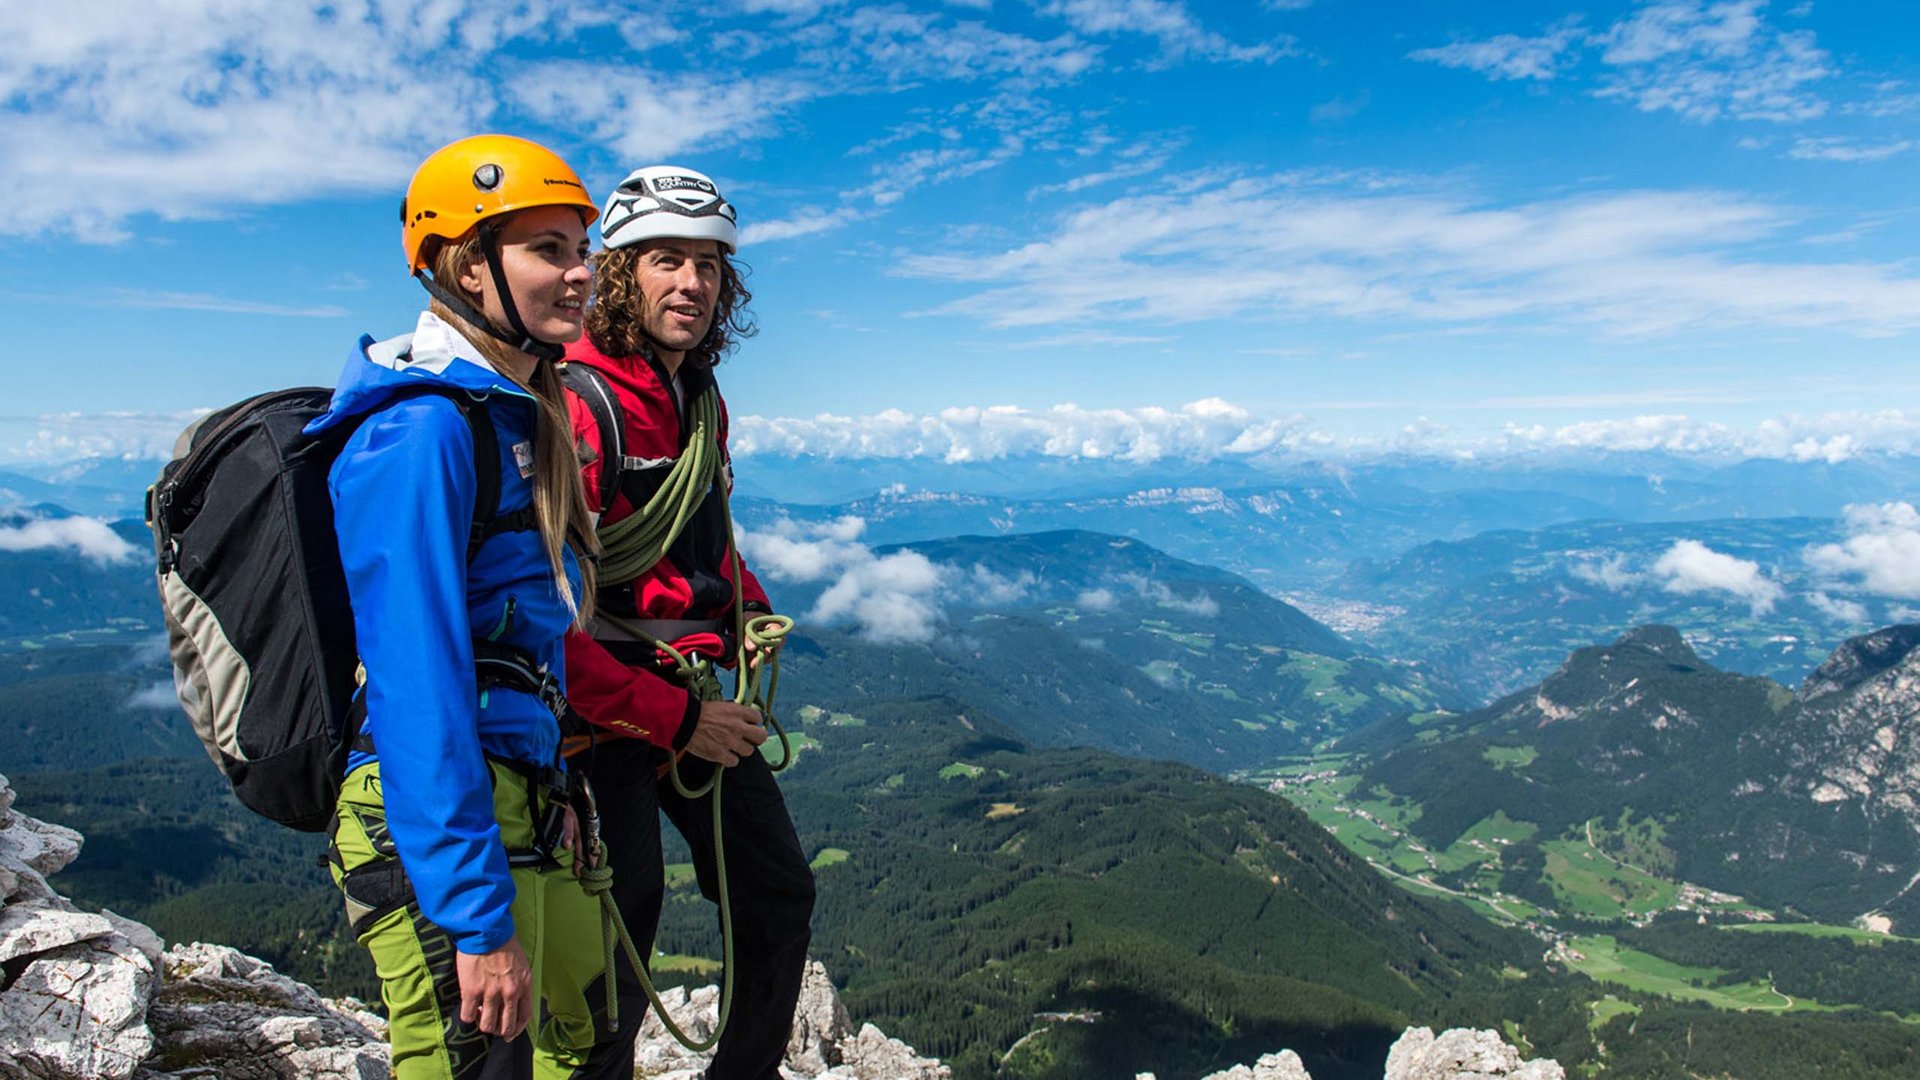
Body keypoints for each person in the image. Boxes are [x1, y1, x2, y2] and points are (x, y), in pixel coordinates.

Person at [310, 134, 616, 1080]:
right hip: (434, 818)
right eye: (547, 250)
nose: (579, 275)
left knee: (593, 1038)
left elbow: (515, 639)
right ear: (465, 267)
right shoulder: (420, 432)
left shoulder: (515, 414)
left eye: (581, 249)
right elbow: (416, 683)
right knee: (479, 1063)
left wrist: (555, 782)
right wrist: (474, 918)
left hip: (520, 791)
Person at [561, 165, 816, 1080]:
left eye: (709, 265)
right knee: (620, 941)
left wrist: (746, 608)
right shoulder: (577, 407)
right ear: (622, 275)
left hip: (695, 687)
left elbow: (704, 540)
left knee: (777, 893)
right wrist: (680, 720)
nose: (694, 285)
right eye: (667, 260)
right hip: (605, 715)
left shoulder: (697, 398)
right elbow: (548, 628)